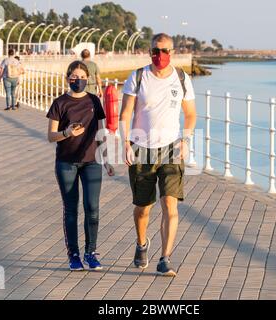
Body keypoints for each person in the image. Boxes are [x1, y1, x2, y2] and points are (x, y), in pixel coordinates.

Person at [120, 33, 197, 277]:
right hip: (142, 148)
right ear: (150, 51)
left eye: (164, 51)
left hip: (172, 149)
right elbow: (125, 114)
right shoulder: (138, 77)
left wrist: (185, 140)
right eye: (155, 50)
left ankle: (165, 258)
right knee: (143, 208)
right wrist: (124, 142)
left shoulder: (182, 78)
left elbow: (191, 114)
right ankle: (142, 244)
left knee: (170, 205)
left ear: (171, 52)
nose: (159, 55)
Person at [46, 60, 115, 271]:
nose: (79, 81)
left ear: (88, 79)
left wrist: (107, 159)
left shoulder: (94, 101)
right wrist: (67, 133)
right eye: (75, 77)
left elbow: (101, 133)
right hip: (66, 163)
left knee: (92, 208)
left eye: (83, 78)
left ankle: (91, 253)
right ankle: (74, 254)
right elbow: (51, 136)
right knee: (71, 210)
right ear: (68, 78)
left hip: (91, 162)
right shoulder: (60, 103)